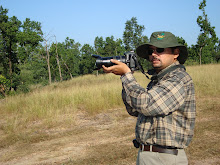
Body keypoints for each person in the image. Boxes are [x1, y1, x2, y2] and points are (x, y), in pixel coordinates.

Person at [102, 31, 196, 165]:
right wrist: (126, 77)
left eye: (160, 50)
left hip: (164, 158)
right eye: (151, 51)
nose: (153, 54)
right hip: (149, 155)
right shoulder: (158, 80)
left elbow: (147, 105)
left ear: (176, 53)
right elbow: (134, 109)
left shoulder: (179, 79)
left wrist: (127, 75)